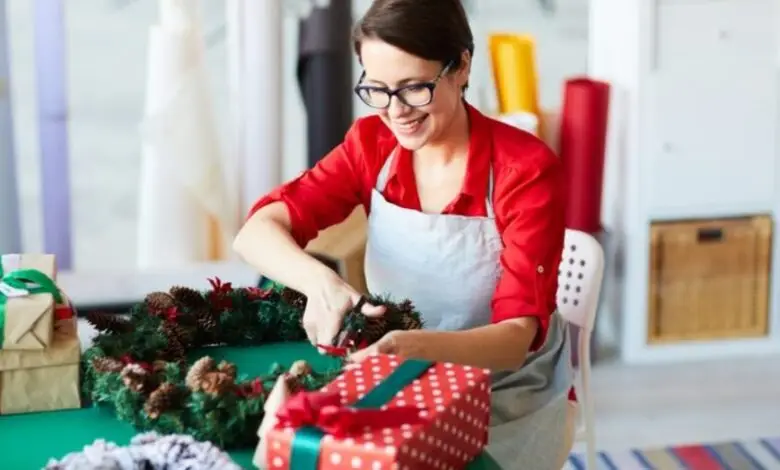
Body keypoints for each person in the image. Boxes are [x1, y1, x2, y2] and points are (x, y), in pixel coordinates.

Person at [233, 0, 576, 468]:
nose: (396, 112)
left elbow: (515, 341)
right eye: (377, 89)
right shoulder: (371, 144)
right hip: (393, 364)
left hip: (505, 387)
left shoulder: (525, 170)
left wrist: (408, 348)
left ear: (461, 66)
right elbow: (256, 232)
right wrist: (325, 286)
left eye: (414, 88)